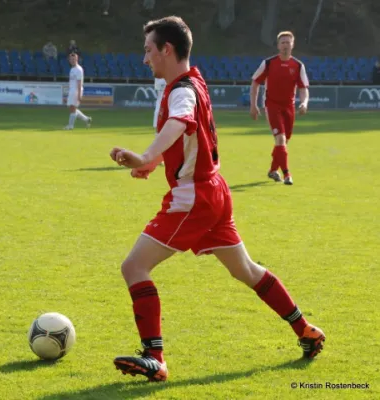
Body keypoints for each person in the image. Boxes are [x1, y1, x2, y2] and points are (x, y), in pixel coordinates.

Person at [109, 17, 325, 383]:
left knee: (133, 268)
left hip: (193, 196)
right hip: (214, 191)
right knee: (247, 270)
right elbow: (187, 135)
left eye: (148, 50)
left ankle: (155, 357)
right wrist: (156, 163)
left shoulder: (181, 90)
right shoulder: (195, 80)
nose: (145, 59)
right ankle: (306, 330)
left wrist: (146, 157)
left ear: (166, 50)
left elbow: (178, 124)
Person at [250, 31, 309, 186]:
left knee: (283, 142)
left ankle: (272, 170)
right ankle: (287, 174)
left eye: (288, 42)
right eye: (282, 42)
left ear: (292, 45)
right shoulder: (268, 63)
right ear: (278, 45)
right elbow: (255, 82)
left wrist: (304, 103)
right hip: (272, 105)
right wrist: (253, 105)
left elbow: (303, 88)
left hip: (289, 107)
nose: (285, 45)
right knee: (281, 139)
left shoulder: (298, 65)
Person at [64, 52, 92, 130]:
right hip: (72, 90)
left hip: (76, 91)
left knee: (73, 108)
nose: (72, 60)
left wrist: (79, 94)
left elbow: (79, 83)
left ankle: (70, 126)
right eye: (71, 59)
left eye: (74, 59)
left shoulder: (79, 69)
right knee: (72, 108)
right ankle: (87, 119)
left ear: (77, 59)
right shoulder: (72, 69)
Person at [153, 77, 166, 166]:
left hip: (171, 107)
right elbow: (159, 88)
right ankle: (158, 157)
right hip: (160, 108)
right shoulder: (159, 77)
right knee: (159, 133)